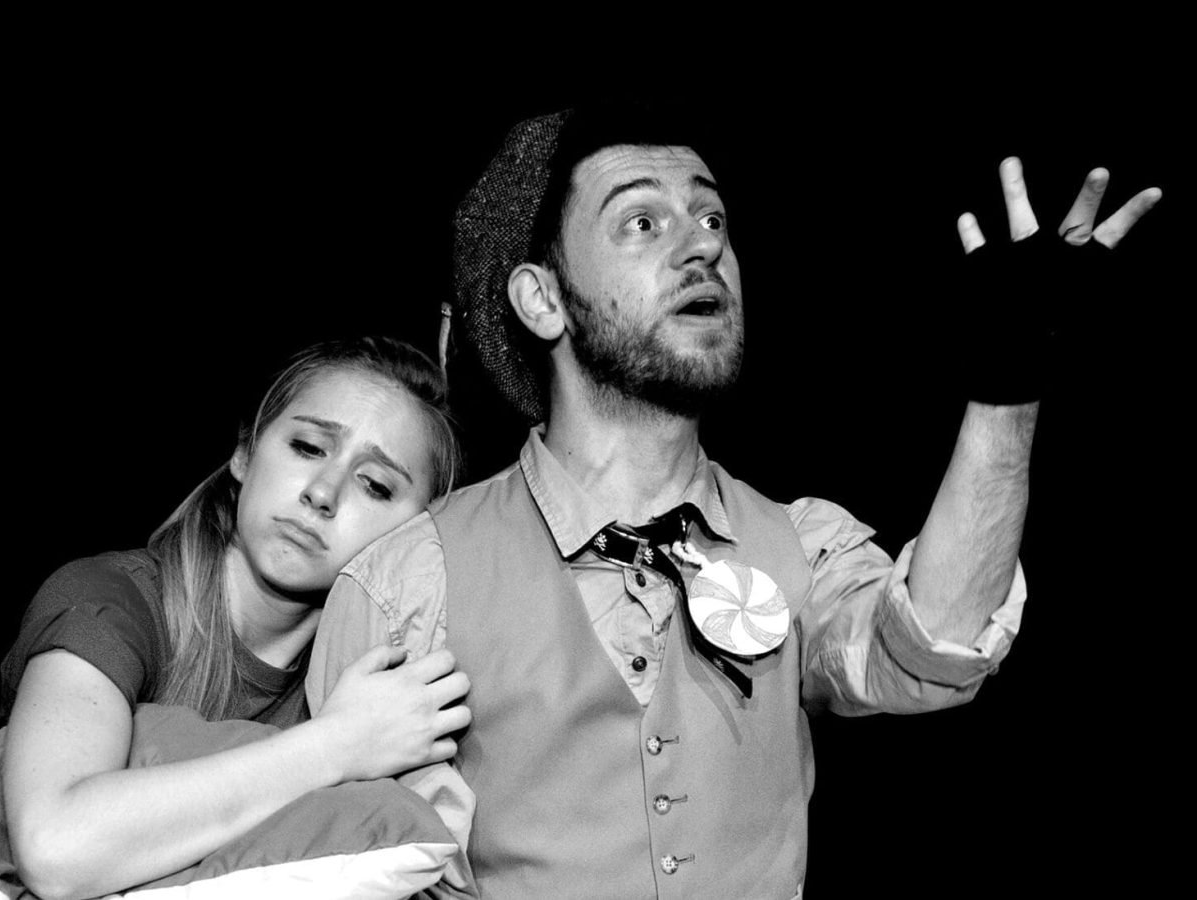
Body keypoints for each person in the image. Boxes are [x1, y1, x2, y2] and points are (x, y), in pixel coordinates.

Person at [306, 104, 1161, 896]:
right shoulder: (408, 579)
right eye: (643, 222)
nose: (701, 247)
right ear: (543, 298)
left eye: (713, 220)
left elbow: (931, 649)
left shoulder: (801, 543)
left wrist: (1007, 392)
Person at [0, 337, 470, 900]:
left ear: (416, 537)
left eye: (375, 484)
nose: (323, 493)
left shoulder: (382, 693)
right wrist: (338, 744)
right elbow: (55, 849)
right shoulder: (109, 599)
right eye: (308, 447)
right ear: (245, 453)